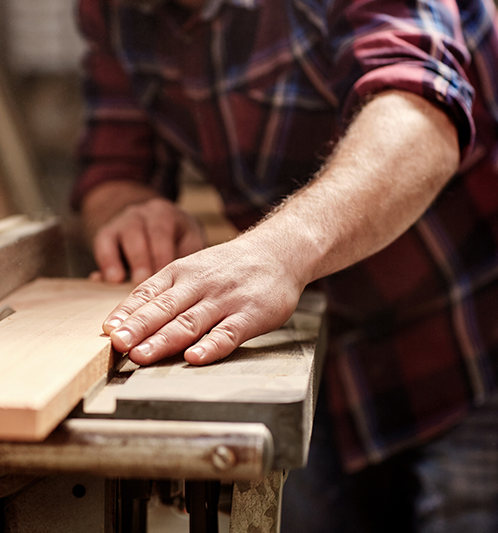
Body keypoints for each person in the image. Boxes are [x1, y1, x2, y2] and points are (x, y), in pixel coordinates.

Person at [72, 0, 498, 530]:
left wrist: (275, 253)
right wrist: (129, 211)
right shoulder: (114, 10)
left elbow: (421, 115)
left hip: (471, 339)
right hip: (324, 355)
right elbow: (111, 166)